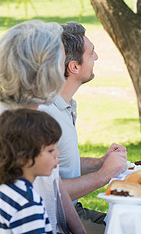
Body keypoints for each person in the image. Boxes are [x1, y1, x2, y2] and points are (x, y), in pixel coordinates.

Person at [40, 22, 128, 233]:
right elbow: (48, 191)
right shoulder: (45, 116)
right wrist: (103, 175)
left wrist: (99, 163)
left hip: (72, 209)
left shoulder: (63, 106)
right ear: (74, 67)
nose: (96, 57)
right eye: (91, 54)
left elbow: (58, 164)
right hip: (56, 221)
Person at [0, 20, 86, 234]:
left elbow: (55, 184)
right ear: (44, 70)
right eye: (59, 61)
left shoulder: (35, 114)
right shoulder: (11, 126)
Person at [0, 109, 62, 233]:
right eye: (50, 150)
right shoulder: (27, 201)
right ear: (24, 158)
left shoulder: (6, 190)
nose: (57, 154)